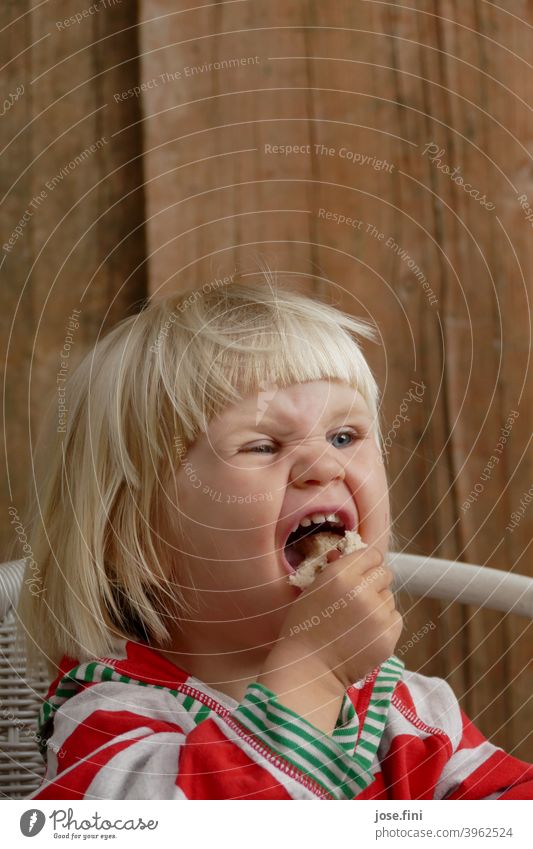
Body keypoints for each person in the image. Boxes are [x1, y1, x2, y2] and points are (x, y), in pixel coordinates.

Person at [17, 277, 533, 800]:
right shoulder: (108, 721)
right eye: (262, 445)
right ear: (136, 541)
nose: (322, 464)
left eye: (344, 436)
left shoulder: (406, 711)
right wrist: (315, 671)